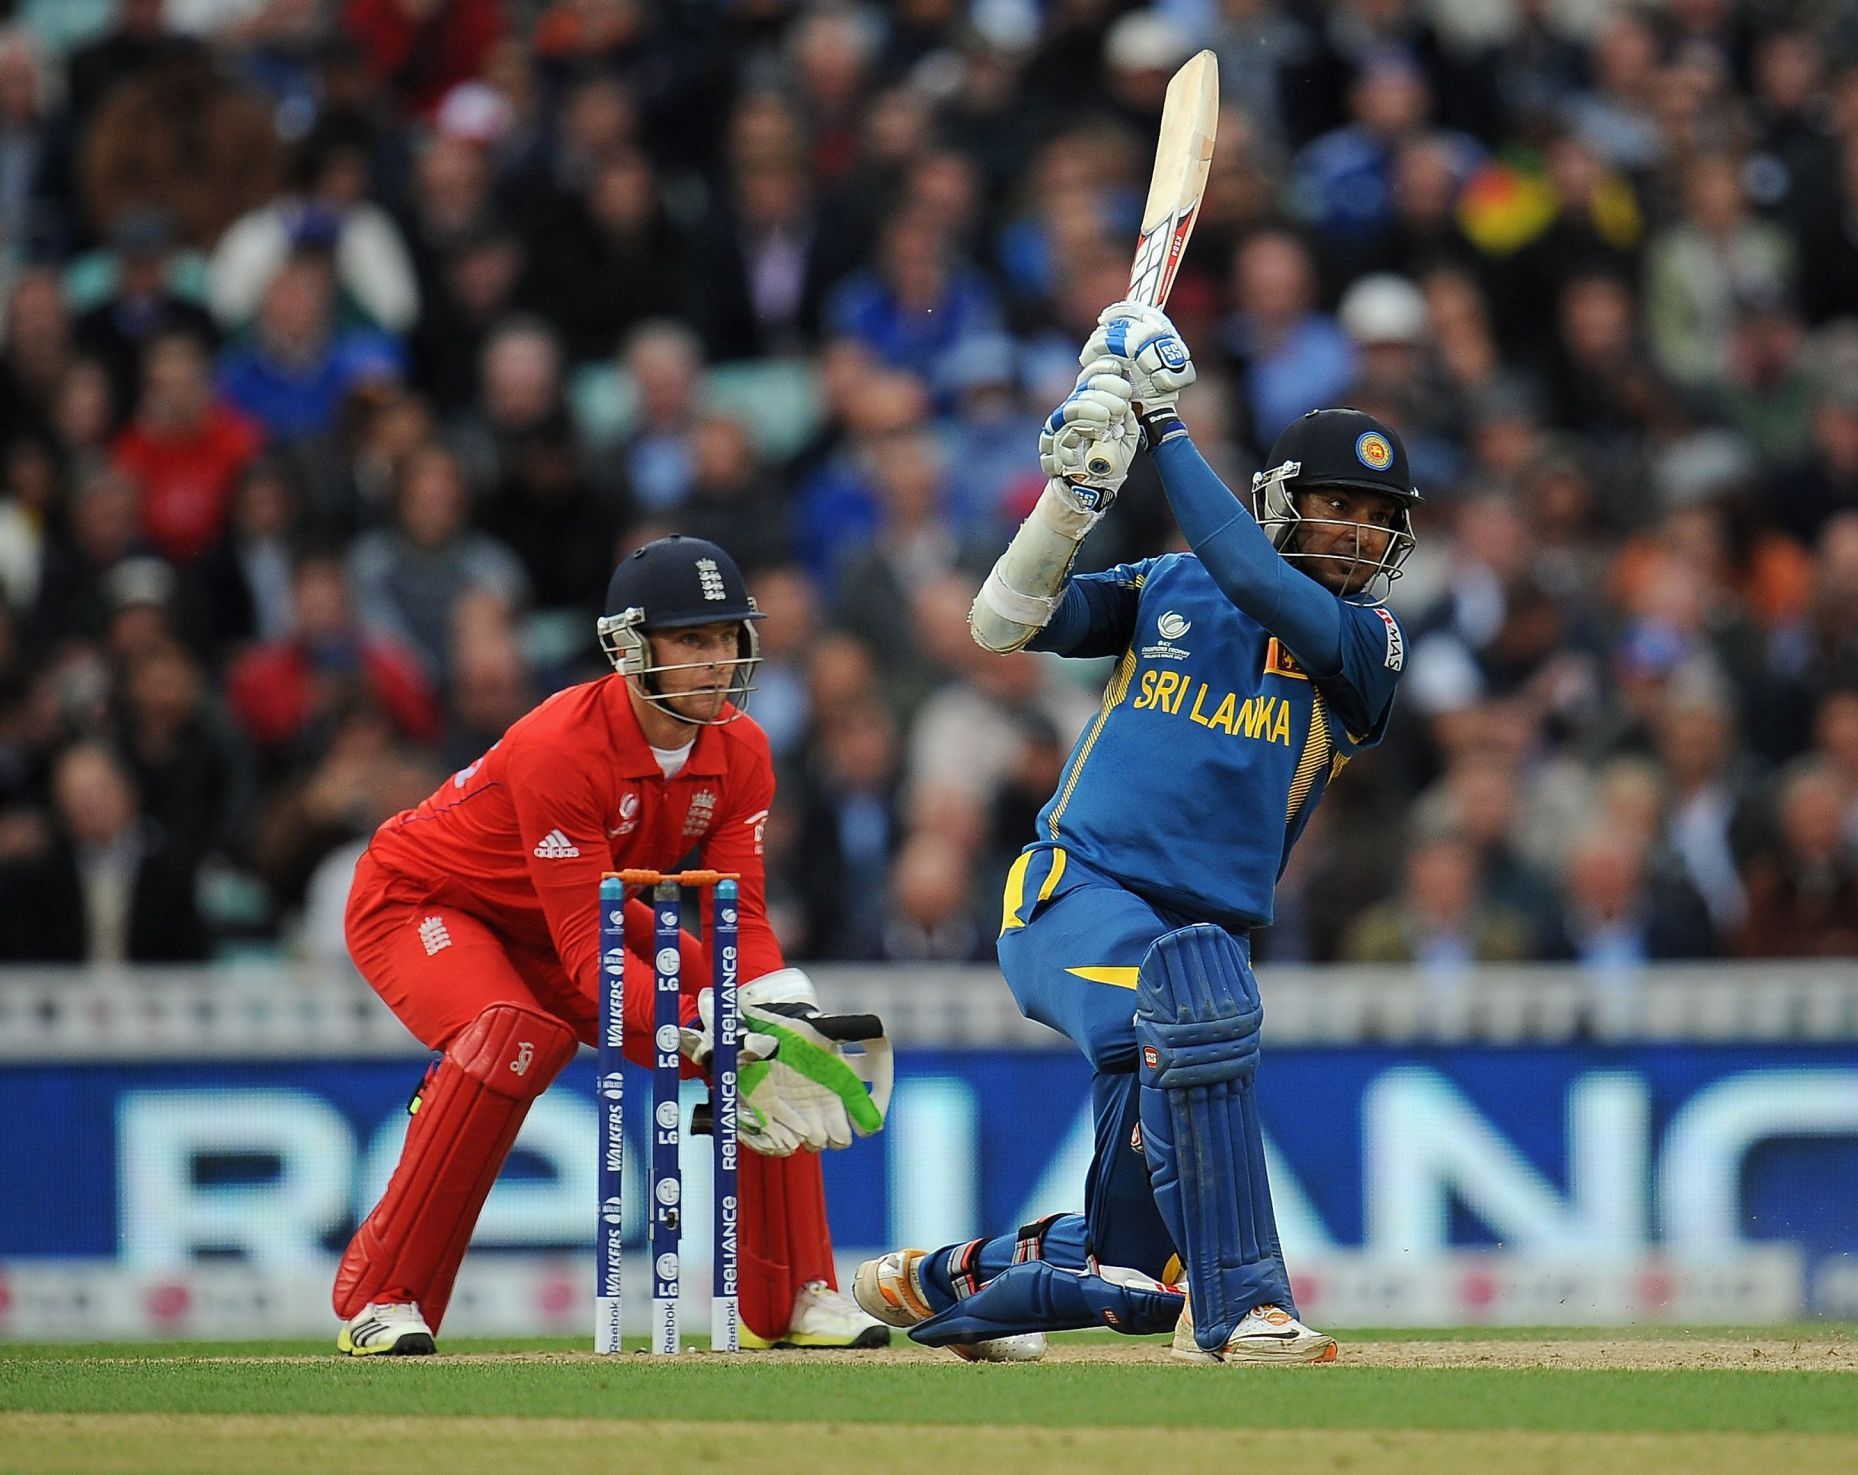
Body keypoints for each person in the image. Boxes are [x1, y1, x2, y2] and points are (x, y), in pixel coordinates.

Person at [854, 302, 1418, 1365]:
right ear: (1281, 503)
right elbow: (1001, 621)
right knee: (1200, 1010)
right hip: (1075, 896)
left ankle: (953, 1284)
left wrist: (1164, 423)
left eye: (1376, 514)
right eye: (1336, 503)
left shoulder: (1366, 643)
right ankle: (1248, 1306)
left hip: (1193, 944)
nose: (1355, 530)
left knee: (1133, 1272)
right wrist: (1070, 504)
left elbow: (1257, 578)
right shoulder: (1168, 584)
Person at [333, 535, 891, 1355]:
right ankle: (382, 1298)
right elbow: (588, 953)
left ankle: (790, 1295)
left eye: (728, 636)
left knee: (766, 1034)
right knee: (509, 1034)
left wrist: (769, 1011)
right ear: (632, 647)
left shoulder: (744, 751)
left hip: (576, 910)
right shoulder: (560, 746)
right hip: (428, 899)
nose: (717, 659)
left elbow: (744, 923)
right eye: (692, 640)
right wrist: (684, 1022)